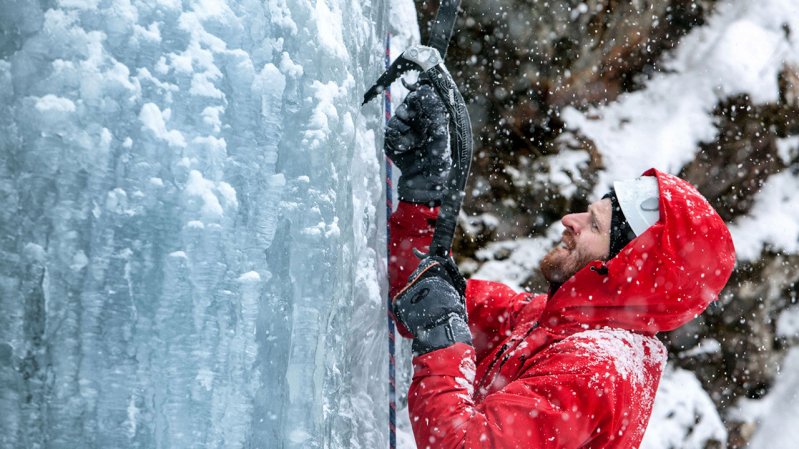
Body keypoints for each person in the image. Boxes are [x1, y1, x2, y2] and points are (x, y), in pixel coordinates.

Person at [385, 82, 736, 449]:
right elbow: (428, 295)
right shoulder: (555, 324)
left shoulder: (593, 370)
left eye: (595, 225)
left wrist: (443, 333)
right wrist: (424, 197)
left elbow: (462, 445)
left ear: (621, 270)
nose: (570, 219)